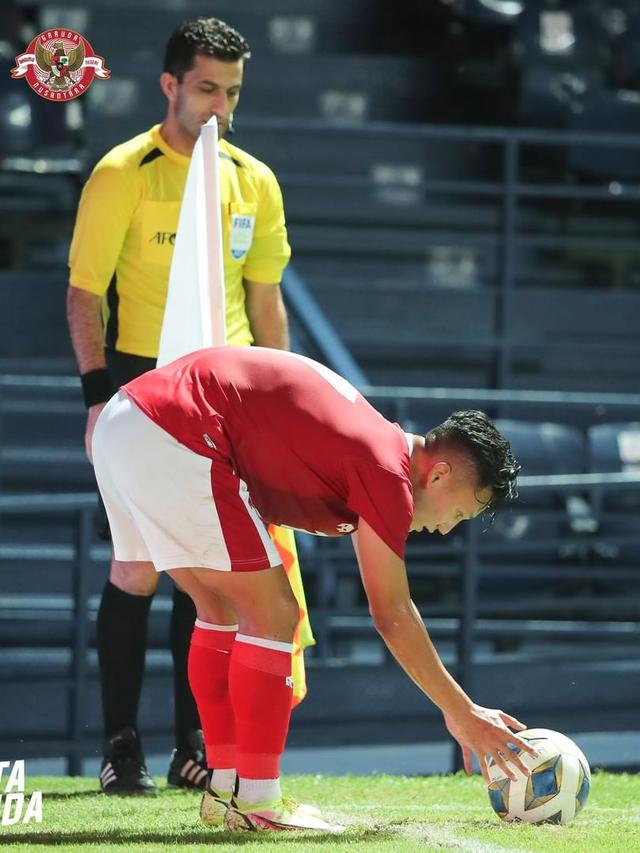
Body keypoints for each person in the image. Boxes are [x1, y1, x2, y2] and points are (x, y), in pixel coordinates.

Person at [91, 345, 539, 833]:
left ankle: (225, 789)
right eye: (459, 513)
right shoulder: (389, 470)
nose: (448, 528)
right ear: (439, 473)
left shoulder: (375, 449)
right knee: (276, 613)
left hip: (129, 420)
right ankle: (259, 801)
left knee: (217, 607)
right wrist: (463, 712)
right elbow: (391, 613)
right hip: (172, 429)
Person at [66, 17, 305, 794]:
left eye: (232, 92)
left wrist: (282, 398)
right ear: (169, 84)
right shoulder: (122, 171)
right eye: (206, 89)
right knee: (136, 564)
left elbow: (265, 305)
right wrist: (98, 396)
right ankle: (121, 745)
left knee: (216, 568)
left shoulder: (253, 179)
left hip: (229, 389)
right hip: (142, 388)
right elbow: (82, 295)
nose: (219, 107)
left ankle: (194, 744)